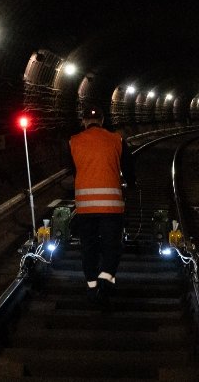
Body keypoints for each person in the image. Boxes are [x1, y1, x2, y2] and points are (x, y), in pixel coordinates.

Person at [69, 104, 135, 307]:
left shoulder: (74, 142)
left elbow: (70, 169)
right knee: (111, 246)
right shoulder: (117, 140)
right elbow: (129, 170)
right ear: (103, 121)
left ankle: (91, 288)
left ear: (84, 122)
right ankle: (106, 280)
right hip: (111, 207)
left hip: (86, 208)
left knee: (88, 247)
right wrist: (131, 184)